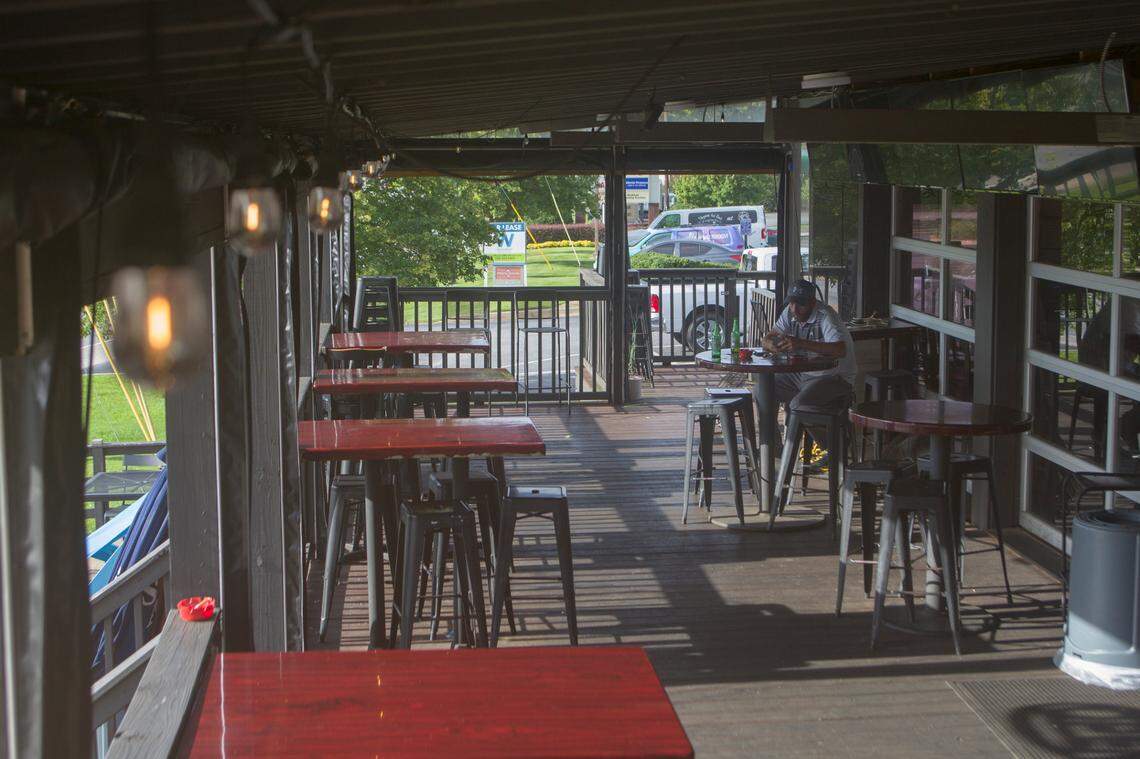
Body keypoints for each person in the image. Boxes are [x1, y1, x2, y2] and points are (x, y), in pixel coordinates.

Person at [762, 279, 856, 412]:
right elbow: (769, 337)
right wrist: (770, 344)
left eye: (801, 304)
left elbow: (840, 350)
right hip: (802, 374)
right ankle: (770, 434)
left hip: (834, 378)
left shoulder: (825, 316)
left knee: (799, 405)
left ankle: (829, 433)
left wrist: (800, 343)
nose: (795, 309)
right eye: (792, 303)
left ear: (812, 303)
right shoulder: (789, 312)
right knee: (763, 393)